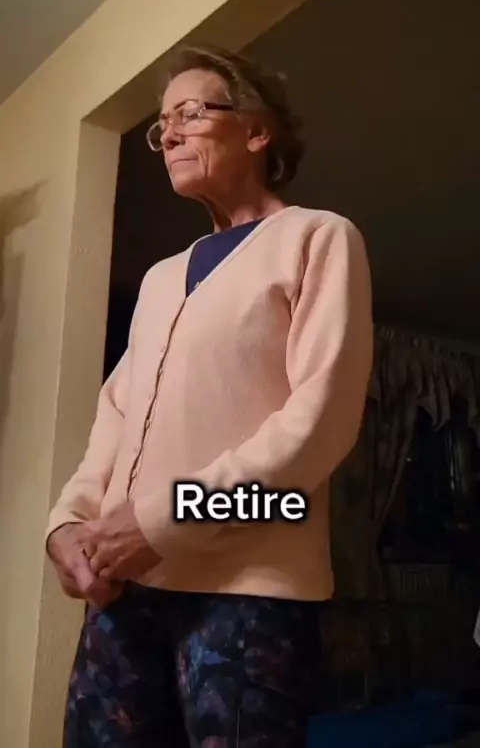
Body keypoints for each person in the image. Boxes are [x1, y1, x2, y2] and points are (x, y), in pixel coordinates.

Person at [46, 45, 373, 748]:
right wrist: (69, 523)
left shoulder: (317, 238)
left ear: (256, 131)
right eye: (162, 125)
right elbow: (117, 414)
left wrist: (165, 520)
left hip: (249, 596)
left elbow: (320, 428)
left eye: (190, 114)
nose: (169, 136)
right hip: (123, 592)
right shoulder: (161, 278)